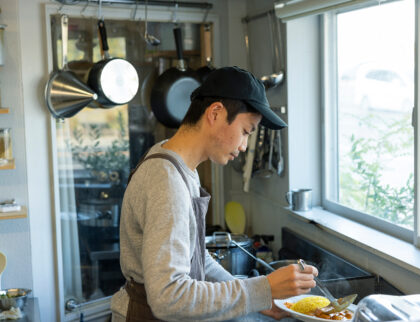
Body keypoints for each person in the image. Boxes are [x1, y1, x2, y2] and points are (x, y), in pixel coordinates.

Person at [111, 66, 318, 322]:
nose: (244, 146)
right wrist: (263, 288)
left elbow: (196, 257)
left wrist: (260, 299)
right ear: (216, 113)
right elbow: (168, 297)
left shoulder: (178, 164)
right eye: (245, 131)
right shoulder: (166, 180)